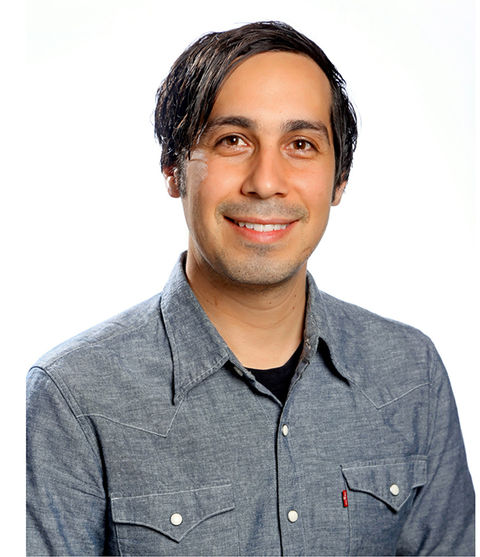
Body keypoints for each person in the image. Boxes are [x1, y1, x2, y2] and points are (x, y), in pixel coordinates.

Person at [26, 21, 474, 556]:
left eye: (301, 144)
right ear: (173, 168)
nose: (265, 181)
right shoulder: (73, 397)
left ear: (339, 180)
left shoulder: (411, 373)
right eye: (232, 141)